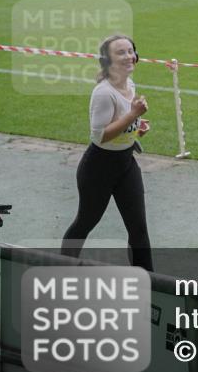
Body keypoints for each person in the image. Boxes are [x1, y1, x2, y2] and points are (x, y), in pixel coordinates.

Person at [62, 34, 153, 270]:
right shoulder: (103, 93)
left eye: (130, 51)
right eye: (120, 52)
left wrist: (135, 129)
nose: (129, 56)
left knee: (138, 229)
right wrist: (133, 115)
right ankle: (63, 268)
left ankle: (148, 282)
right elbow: (100, 136)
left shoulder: (129, 85)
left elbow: (120, 125)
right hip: (98, 169)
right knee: (85, 222)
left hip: (125, 164)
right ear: (108, 60)